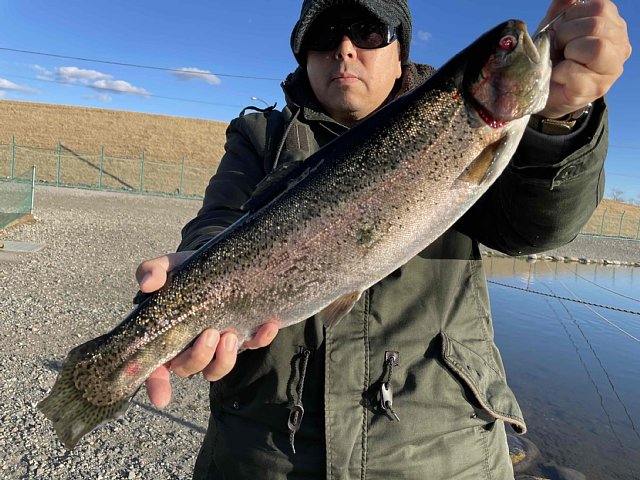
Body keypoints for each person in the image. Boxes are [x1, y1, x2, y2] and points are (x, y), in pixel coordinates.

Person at [136, 0, 631, 478]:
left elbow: (537, 226)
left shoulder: (458, 124)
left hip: (443, 457)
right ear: (304, 57)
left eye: (369, 32)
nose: (344, 48)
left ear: (401, 57)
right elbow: (218, 220)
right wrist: (194, 274)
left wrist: (559, 119)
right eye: (324, 36)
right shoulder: (259, 135)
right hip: (264, 453)